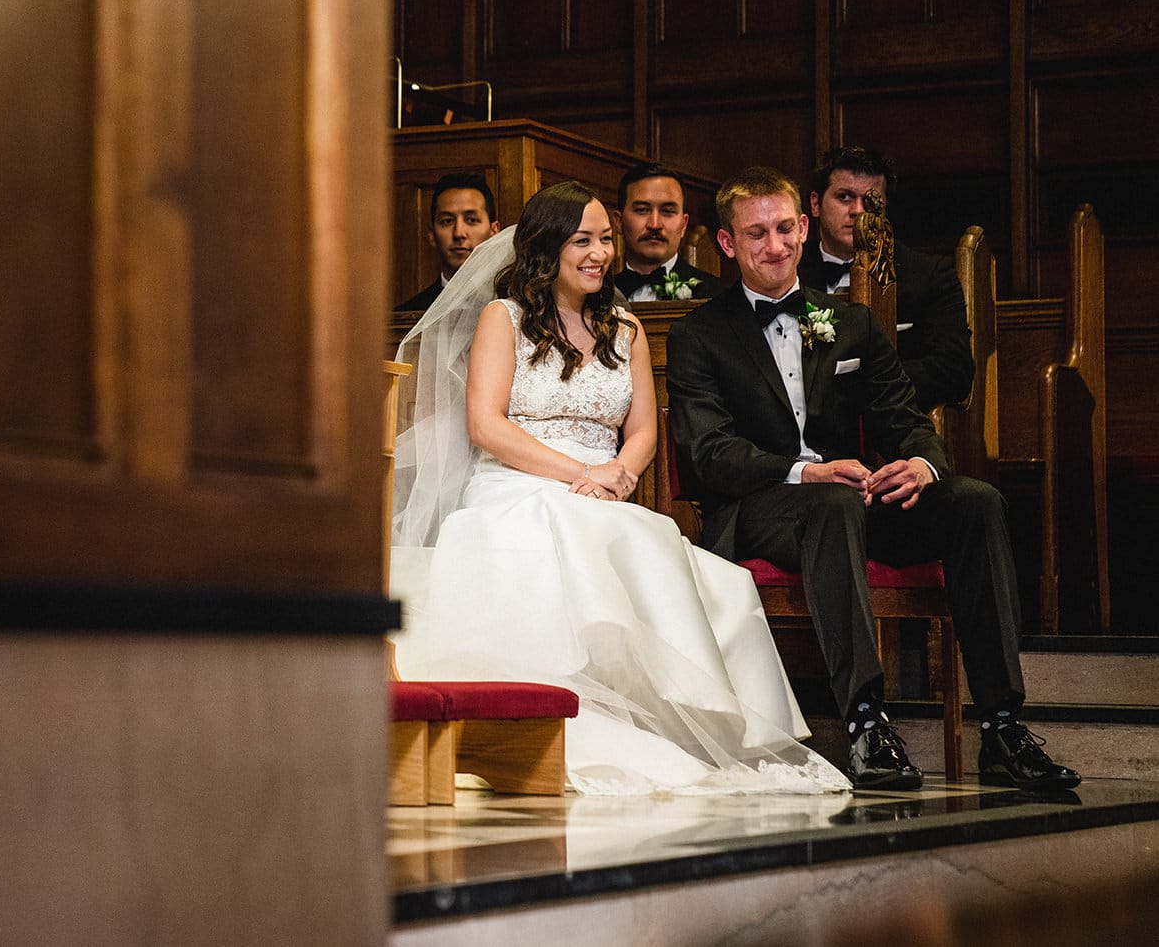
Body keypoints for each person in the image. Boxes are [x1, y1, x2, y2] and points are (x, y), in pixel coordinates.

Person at [390, 180, 849, 795]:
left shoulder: (624, 327)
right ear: (546, 248)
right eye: (582, 240)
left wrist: (623, 473)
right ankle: (544, 725)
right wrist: (579, 474)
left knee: (671, 558)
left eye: (606, 239)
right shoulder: (506, 319)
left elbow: (642, 430)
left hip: (606, 491)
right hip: (515, 485)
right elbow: (487, 426)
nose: (599, 253)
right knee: (571, 535)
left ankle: (688, 722)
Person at [665, 166, 1078, 791]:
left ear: (804, 229)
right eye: (755, 235)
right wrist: (806, 472)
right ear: (727, 244)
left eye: (783, 229)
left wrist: (922, 462)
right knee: (832, 504)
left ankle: (1000, 725)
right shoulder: (700, 334)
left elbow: (905, 417)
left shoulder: (851, 324)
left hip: (853, 501)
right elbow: (710, 453)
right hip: (763, 507)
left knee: (974, 503)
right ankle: (865, 723)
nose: (774, 247)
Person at [798, 146, 974, 411]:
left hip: (894, 427)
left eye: (871, 201)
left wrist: (859, 383)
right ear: (815, 204)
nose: (858, 211)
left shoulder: (930, 275)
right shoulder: (789, 273)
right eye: (844, 197)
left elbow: (954, 371)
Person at [612, 161, 720, 302]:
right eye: (642, 210)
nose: (655, 224)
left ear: (683, 225)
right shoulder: (595, 297)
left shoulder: (719, 296)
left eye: (667, 211)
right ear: (619, 222)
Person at [396, 172, 500, 312]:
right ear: (432, 235)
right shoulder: (405, 314)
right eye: (447, 221)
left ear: (494, 232)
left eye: (471, 220)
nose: (459, 233)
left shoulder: (517, 307)